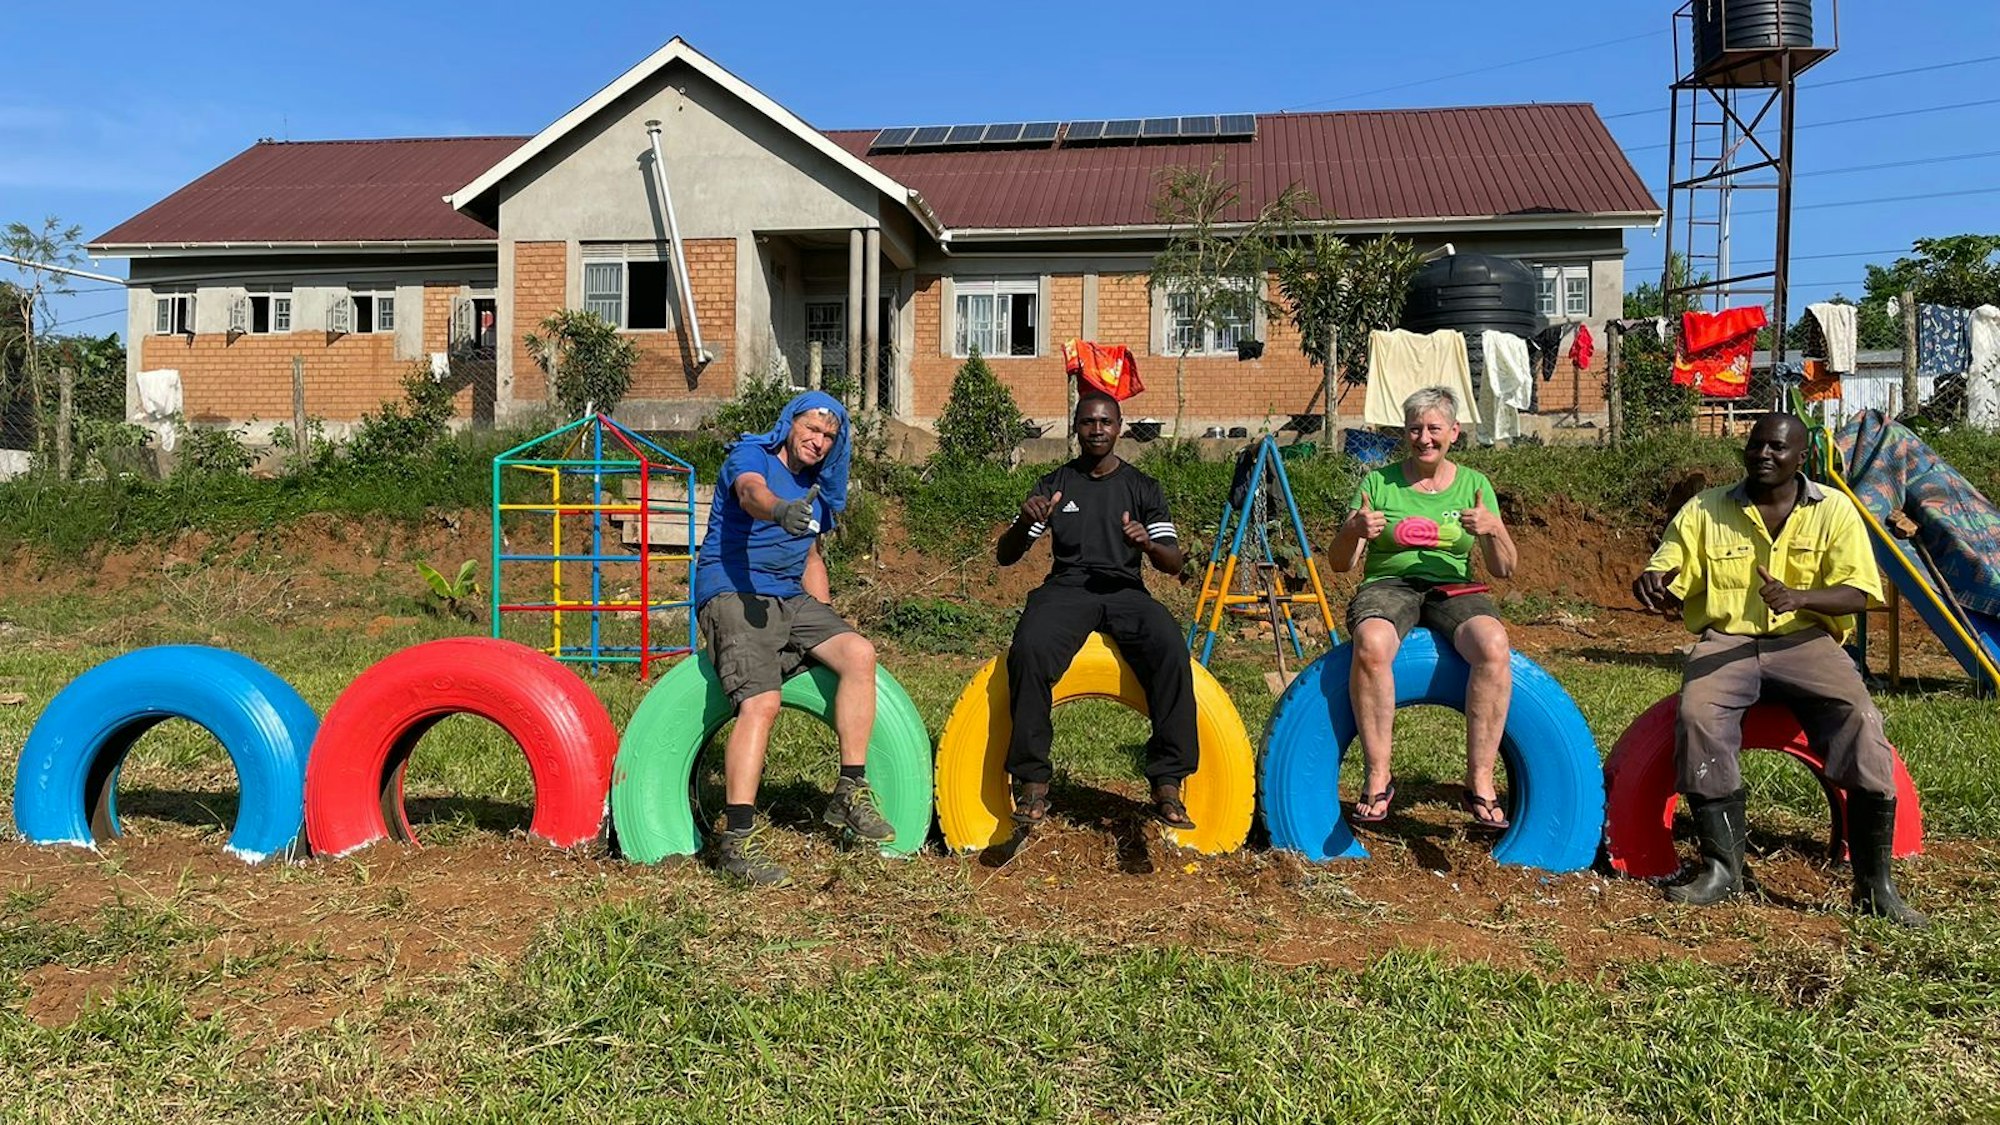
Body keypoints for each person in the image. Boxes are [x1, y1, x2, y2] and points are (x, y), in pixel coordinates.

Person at [1633, 412, 1925, 926]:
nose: (1764, 455)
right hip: (1728, 640)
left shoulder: (1833, 510)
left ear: (1801, 457)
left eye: (1778, 448)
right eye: (1756, 445)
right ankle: (1724, 869)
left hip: (1806, 640)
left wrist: (1800, 597)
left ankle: (1875, 883)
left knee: (1859, 717)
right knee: (1699, 715)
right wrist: (1655, 581)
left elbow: (1860, 592)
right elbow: (1670, 565)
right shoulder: (1706, 509)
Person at [692, 390, 891, 885]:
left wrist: (823, 621)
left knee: (859, 653)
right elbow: (750, 494)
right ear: (790, 423)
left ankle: (849, 791)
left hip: (790, 597)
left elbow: (811, 559)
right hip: (734, 591)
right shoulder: (751, 456)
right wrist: (779, 510)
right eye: (812, 429)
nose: (819, 441)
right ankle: (736, 842)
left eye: (829, 436)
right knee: (762, 702)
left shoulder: (817, 489)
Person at [995, 392, 1198, 830]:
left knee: (1170, 647)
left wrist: (1146, 543)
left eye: (1106, 421)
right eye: (1088, 422)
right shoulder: (1053, 485)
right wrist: (1021, 521)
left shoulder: (1143, 487)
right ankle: (1032, 781)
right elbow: (1007, 557)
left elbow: (1174, 562)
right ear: (1076, 427)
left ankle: (1168, 781)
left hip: (1126, 590)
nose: (1097, 430)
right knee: (1029, 648)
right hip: (1067, 589)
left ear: (1119, 426)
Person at [1327, 385, 1519, 830]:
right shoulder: (1378, 482)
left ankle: (1480, 780)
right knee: (1372, 642)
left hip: (1454, 587)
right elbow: (1340, 565)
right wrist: (1354, 529)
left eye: (1434, 428)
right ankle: (1378, 776)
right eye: (1415, 428)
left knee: (1492, 643)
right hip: (1389, 585)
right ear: (1405, 433)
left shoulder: (1475, 485)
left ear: (1454, 431)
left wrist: (1493, 529)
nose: (1424, 438)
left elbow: (1504, 568)